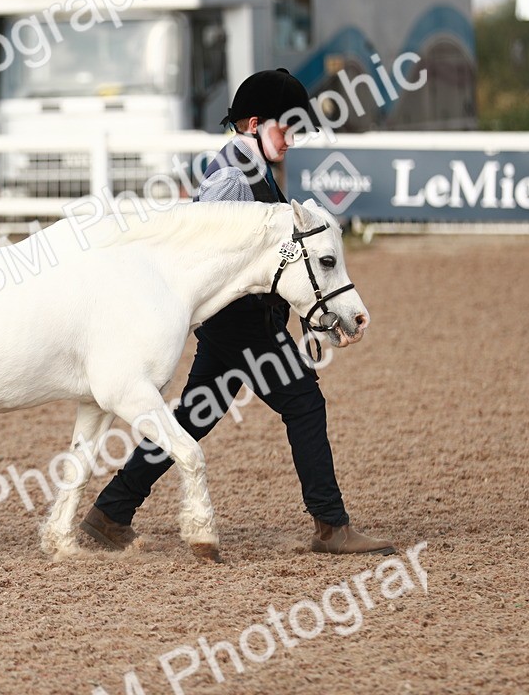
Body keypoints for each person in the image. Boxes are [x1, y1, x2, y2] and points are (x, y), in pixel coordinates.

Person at [80, 68, 395, 557]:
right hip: (244, 325)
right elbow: (205, 250)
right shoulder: (231, 177)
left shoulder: (254, 170)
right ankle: (331, 526)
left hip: (240, 325)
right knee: (305, 405)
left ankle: (111, 511)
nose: (292, 139)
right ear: (253, 124)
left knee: (192, 418)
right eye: (284, 128)